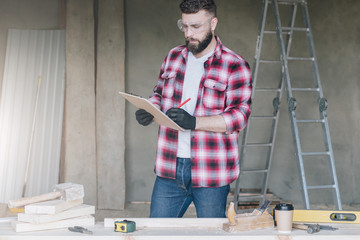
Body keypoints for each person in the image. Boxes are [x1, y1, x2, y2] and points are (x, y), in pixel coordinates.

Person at [135, 0, 252, 218]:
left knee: (211, 234)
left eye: (196, 27)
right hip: (169, 166)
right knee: (157, 233)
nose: (189, 33)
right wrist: (149, 109)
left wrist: (195, 122)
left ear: (213, 23)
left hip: (211, 170)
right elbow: (159, 94)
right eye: (185, 26)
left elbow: (239, 116)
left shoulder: (234, 64)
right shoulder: (173, 57)